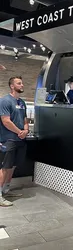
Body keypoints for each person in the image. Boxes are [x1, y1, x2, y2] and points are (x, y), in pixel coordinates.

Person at [0, 76, 29, 207]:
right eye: (19, 83)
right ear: (12, 86)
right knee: (5, 167)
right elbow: (6, 121)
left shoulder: (22, 102)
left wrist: (26, 130)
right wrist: (19, 132)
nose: (22, 85)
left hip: (20, 139)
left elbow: (25, 119)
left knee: (12, 166)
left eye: (21, 83)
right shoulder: (5, 101)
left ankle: (6, 190)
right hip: (8, 139)